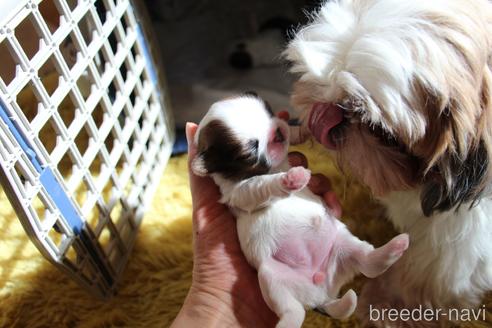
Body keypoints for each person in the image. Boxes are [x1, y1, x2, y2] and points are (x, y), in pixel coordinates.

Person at [171, 123, 342, 327]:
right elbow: (253, 190)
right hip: (264, 253)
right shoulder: (235, 185)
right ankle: (316, 297)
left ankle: (323, 296)